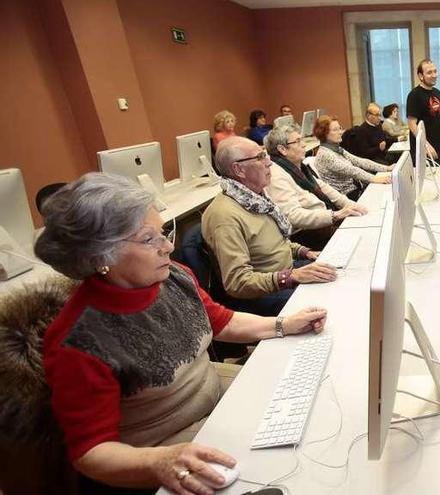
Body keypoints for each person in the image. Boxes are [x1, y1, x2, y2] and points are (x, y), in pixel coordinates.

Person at [34, 173, 328, 494]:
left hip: (220, 408)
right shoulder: (78, 342)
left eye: (164, 232)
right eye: (149, 239)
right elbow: (90, 452)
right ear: (100, 256)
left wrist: (284, 325)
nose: (168, 246)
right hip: (168, 451)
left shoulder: (174, 276)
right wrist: (157, 462)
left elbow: (221, 321)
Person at [202, 137, 337, 316]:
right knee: (331, 303)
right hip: (264, 293)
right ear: (238, 169)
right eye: (259, 157)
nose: (269, 162)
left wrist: (304, 251)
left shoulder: (254, 198)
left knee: (338, 274)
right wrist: (292, 276)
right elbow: (238, 283)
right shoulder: (224, 216)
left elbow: (272, 243)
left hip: (285, 272)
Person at [264, 125, 367, 249]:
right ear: (282, 149)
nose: (303, 144)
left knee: (363, 222)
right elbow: (292, 216)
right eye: (298, 141)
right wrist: (335, 215)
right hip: (307, 234)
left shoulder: (298, 167)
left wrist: (350, 204)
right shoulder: (276, 176)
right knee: (361, 239)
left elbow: (324, 188)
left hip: (323, 222)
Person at [312, 115, 392, 200]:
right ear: (323, 134)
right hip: (348, 198)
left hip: (356, 190)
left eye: (340, 128)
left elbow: (359, 161)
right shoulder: (325, 154)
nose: (340, 132)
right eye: (335, 130)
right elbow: (353, 171)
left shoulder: (337, 149)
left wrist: (387, 168)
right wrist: (375, 179)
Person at [406, 59, 440, 161]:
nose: (434, 75)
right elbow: (412, 124)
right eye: (429, 72)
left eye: (435, 71)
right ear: (420, 76)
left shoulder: (437, 92)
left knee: (439, 174)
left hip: (438, 146)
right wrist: (426, 145)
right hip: (423, 148)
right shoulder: (414, 95)